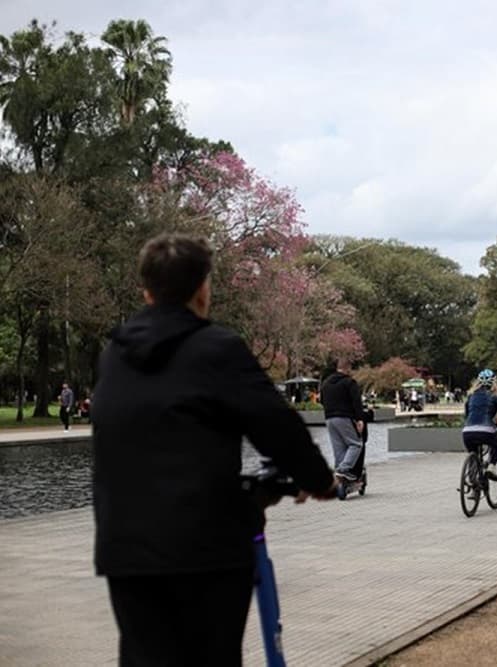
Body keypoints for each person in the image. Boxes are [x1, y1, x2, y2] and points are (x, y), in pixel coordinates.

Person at [92, 233, 337, 666]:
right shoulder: (216, 348)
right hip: (204, 547)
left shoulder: (116, 352)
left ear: (146, 290)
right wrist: (318, 480)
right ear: (203, 288)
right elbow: (276, 425)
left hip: (126, 547)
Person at [320, 361, 366, 483]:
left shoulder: (325, 383)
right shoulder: (349, 382)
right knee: (356, 444)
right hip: (345, 417)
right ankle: (343, 469)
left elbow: (322, 400)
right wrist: (360, 419)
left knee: (338, 448)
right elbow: (356, 402)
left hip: (329, 419)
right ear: (348, 369)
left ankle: (339, 474)